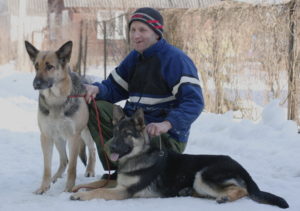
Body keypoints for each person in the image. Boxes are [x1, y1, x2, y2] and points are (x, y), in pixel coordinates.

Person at [84, 7, 204, 179]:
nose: (135, 35)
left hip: (164, 137)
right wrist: (97, 89)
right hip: (134, 131)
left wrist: (167, 124)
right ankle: (119, 165)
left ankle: (126, 162)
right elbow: (114, 88)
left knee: (112, 146)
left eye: (142, 30)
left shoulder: (175, 60)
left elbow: (194, 102)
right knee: (94, 105)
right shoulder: (134, 58)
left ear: (156, 33)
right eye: (133, 30)